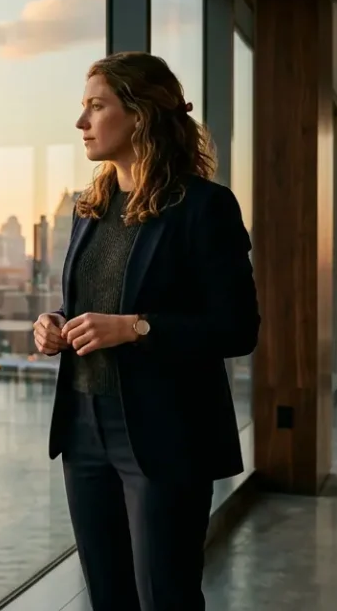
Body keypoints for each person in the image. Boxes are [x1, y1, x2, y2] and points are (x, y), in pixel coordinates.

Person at [31, 51, 259, 611]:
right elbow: (87, 305)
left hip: (164, 434)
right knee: (107, 598)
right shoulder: (91, 209)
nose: (81, 122)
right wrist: (54, 324)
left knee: (166, 598)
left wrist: (134, 329)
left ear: (138, 115)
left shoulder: (205, 207)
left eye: (96, 106)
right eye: (82, 108)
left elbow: (238, 329)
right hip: (84, 429)